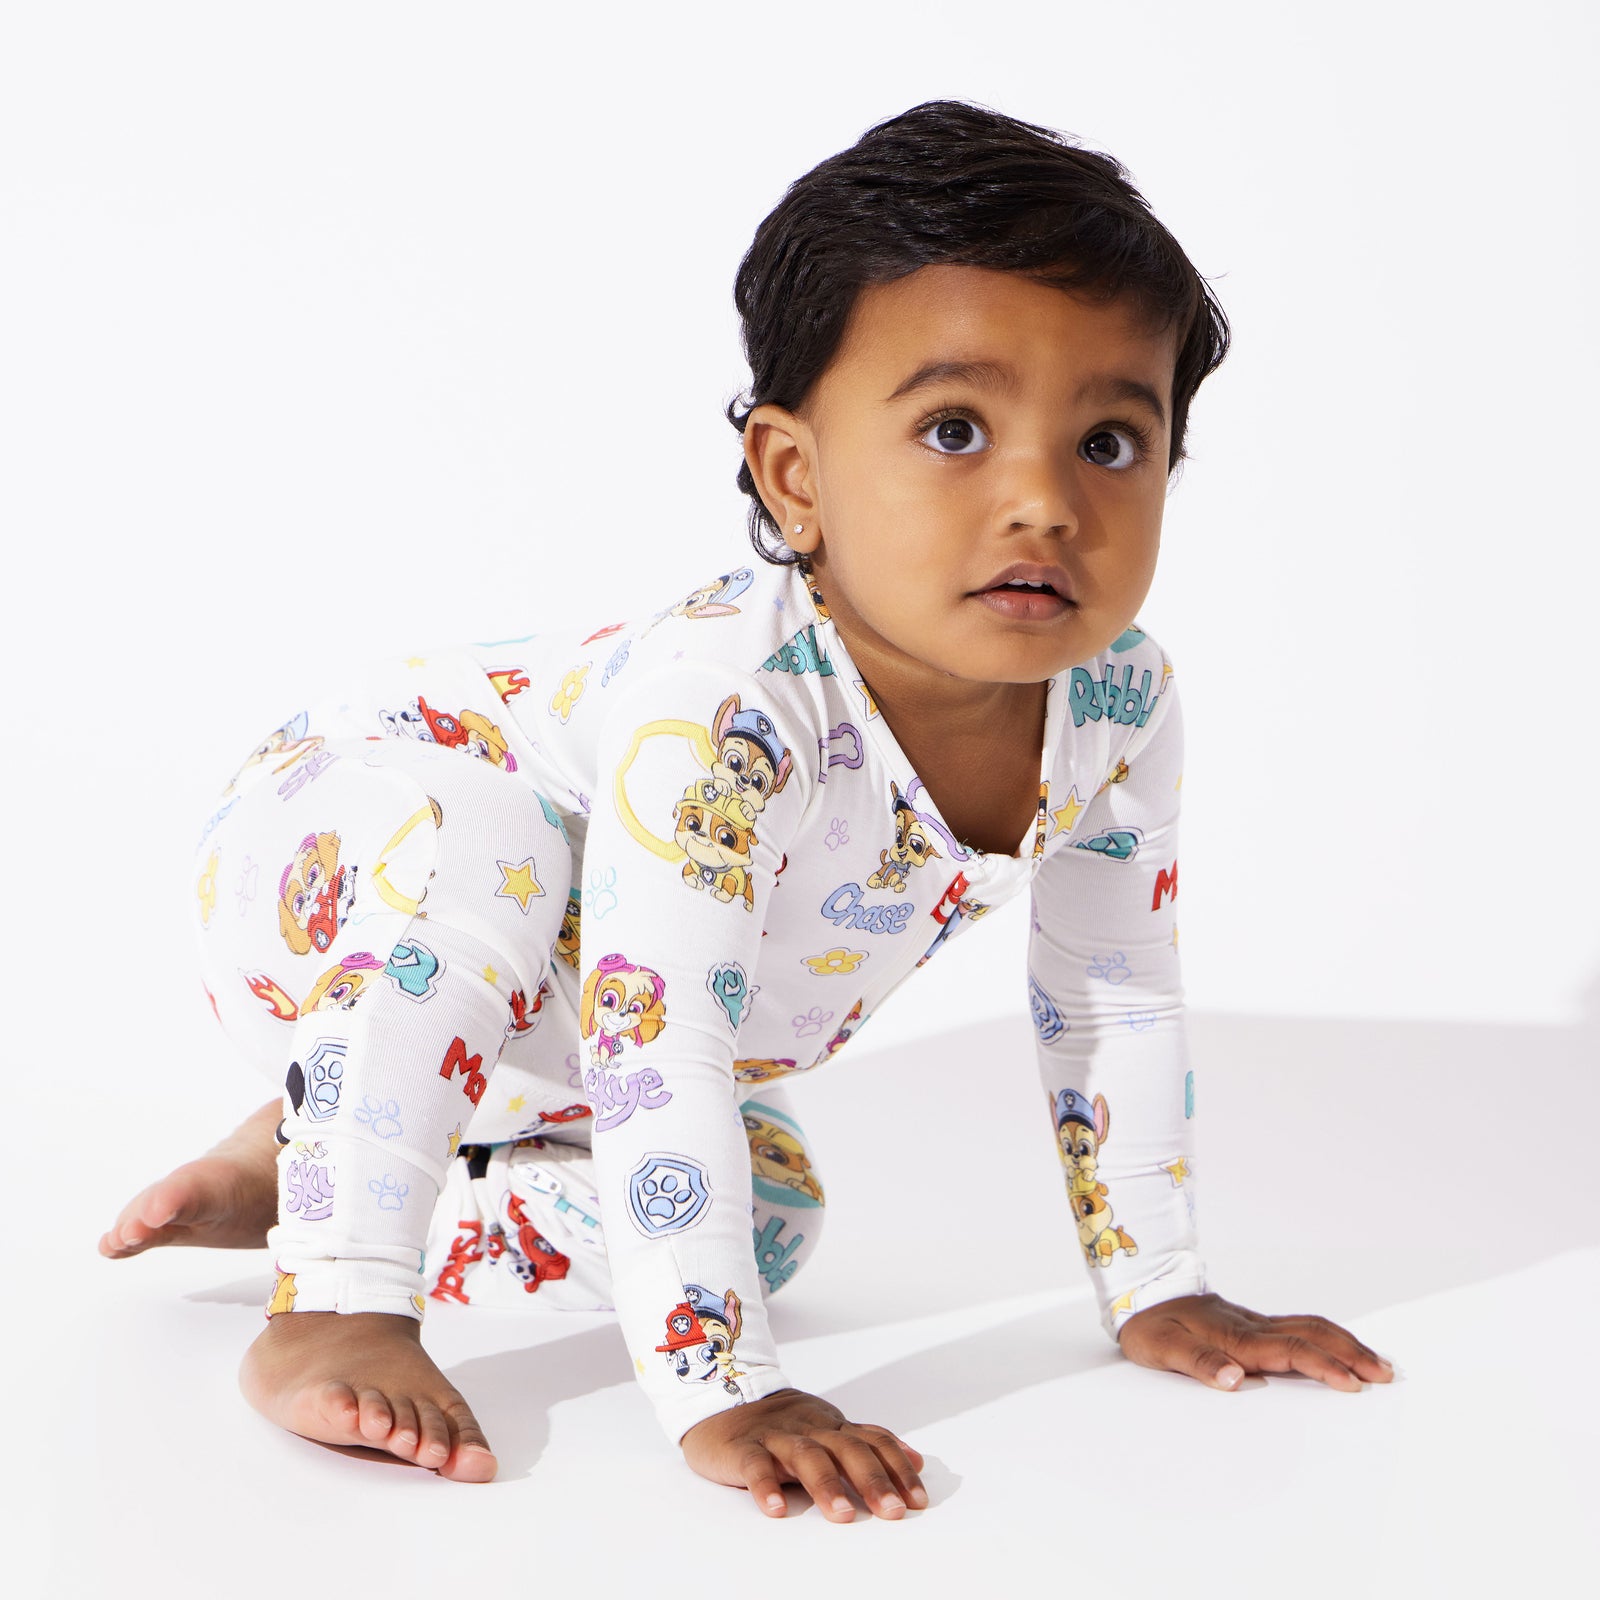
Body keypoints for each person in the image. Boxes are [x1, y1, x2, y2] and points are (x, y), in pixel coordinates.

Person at [99, 98, 1395, 1521]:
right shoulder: (733, 707)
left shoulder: (1120, 702)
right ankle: (337, 1294)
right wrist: (722, 1386)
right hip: (349, 849)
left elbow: (1114, 996)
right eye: (956, 429)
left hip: (568, 1019)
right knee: (499, 855)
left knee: (764, 1214)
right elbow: (664, 1040)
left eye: (1109, 444)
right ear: (796, 476)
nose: (1043, 500)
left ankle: (315, 1163)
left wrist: (1159, 1285)